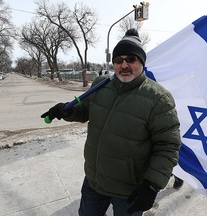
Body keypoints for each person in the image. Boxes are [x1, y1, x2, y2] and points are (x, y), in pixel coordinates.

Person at [41, 29, 181, 216]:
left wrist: (152, 185)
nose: (124, 65)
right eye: (118, 60)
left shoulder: (159, 99)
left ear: (141, 62)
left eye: (130, 59)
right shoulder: (101, 84)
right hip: (94, 180)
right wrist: (66, 110)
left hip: (129, 189)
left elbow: (168, 146)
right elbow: (85, 111)